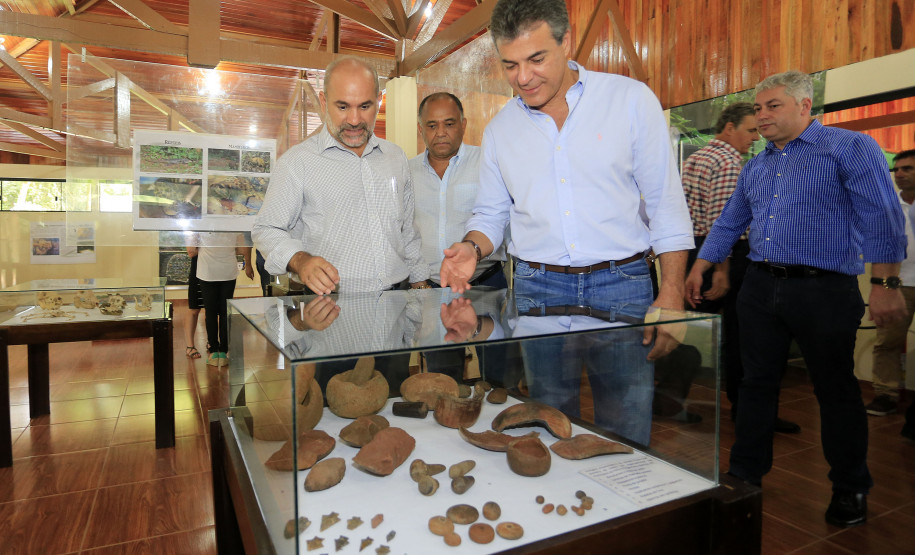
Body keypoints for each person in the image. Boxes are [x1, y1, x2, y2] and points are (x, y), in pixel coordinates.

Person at [438, 0, 694, 443]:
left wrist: (671, 293)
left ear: (567, 42)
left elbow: (666, 204)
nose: (523, 77)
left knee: (626, 426)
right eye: (510, 64)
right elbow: (491, 214)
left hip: (623, 284)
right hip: (538, 291)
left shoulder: (630, 101)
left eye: (537, 59)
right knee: (550, 422)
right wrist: (472, 247)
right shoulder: (500, 130)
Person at [685, 70, 906, 528]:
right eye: (758, 108)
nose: (761, 115)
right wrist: (701, 264)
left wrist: (886, 286)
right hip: (761, 288)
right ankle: (744, 475)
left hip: (824, 290)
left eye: (773, 106)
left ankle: (850, 487)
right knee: (755, 385)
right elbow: (730, 219)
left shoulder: (848, 148)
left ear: (806, 107)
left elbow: (882, 217)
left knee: (836, 391)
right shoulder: (759, 164)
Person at [252, 56, 430, 294]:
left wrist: (420, 285)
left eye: (365, 106)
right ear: (324, 102)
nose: (355, 120)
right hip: (329, 307)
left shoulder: (396, 158)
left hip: (397, 302)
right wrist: (301, 260)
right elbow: (267, 229)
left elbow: (407, 230)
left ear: (379, 100)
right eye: (343, 106)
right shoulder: (297, 163)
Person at [681, 102, 800, 433]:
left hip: (697, 253)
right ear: (729, 127)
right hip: (726, 256)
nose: (754, 137)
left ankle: (668, 398)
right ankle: (747, 411)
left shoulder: (696, 158)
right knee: (745, 337)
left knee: (685, 327)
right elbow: (725, 221)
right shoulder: (729, 162)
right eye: (750, 130)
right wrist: (721, 269)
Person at [409, 92, 514, 383]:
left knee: (499, 377)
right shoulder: (407, 173)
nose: (440, 132)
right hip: (434, 292)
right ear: (421, 129)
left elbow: (504, 216)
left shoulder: (487, 164)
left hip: (487, 286)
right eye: (431, 125)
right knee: (443, 380)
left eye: (449, 123)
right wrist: (417, 285)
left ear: (464, 125)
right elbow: (403, 230)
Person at [867, 149, 915, 416]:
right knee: (887, 341)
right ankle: (885, 394)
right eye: (897, 169)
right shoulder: (888, 206)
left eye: (908, 168)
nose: (900, 174)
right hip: (898, 283)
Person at [190, 232, 253, 366]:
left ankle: (214, 352)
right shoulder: (232, 223)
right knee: (225, 313)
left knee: (210, 313)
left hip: (207, 272)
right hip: (228, 271)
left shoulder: (201, 224)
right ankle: (224, 351)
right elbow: (242, 248)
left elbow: (191, 251)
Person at [184, 247, 204, 359]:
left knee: (213, 309)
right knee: (194, 308)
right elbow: (191, 252)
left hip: (217, 269)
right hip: (198, 269)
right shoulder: (195, 230)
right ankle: (190, 346)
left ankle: (212, 342)